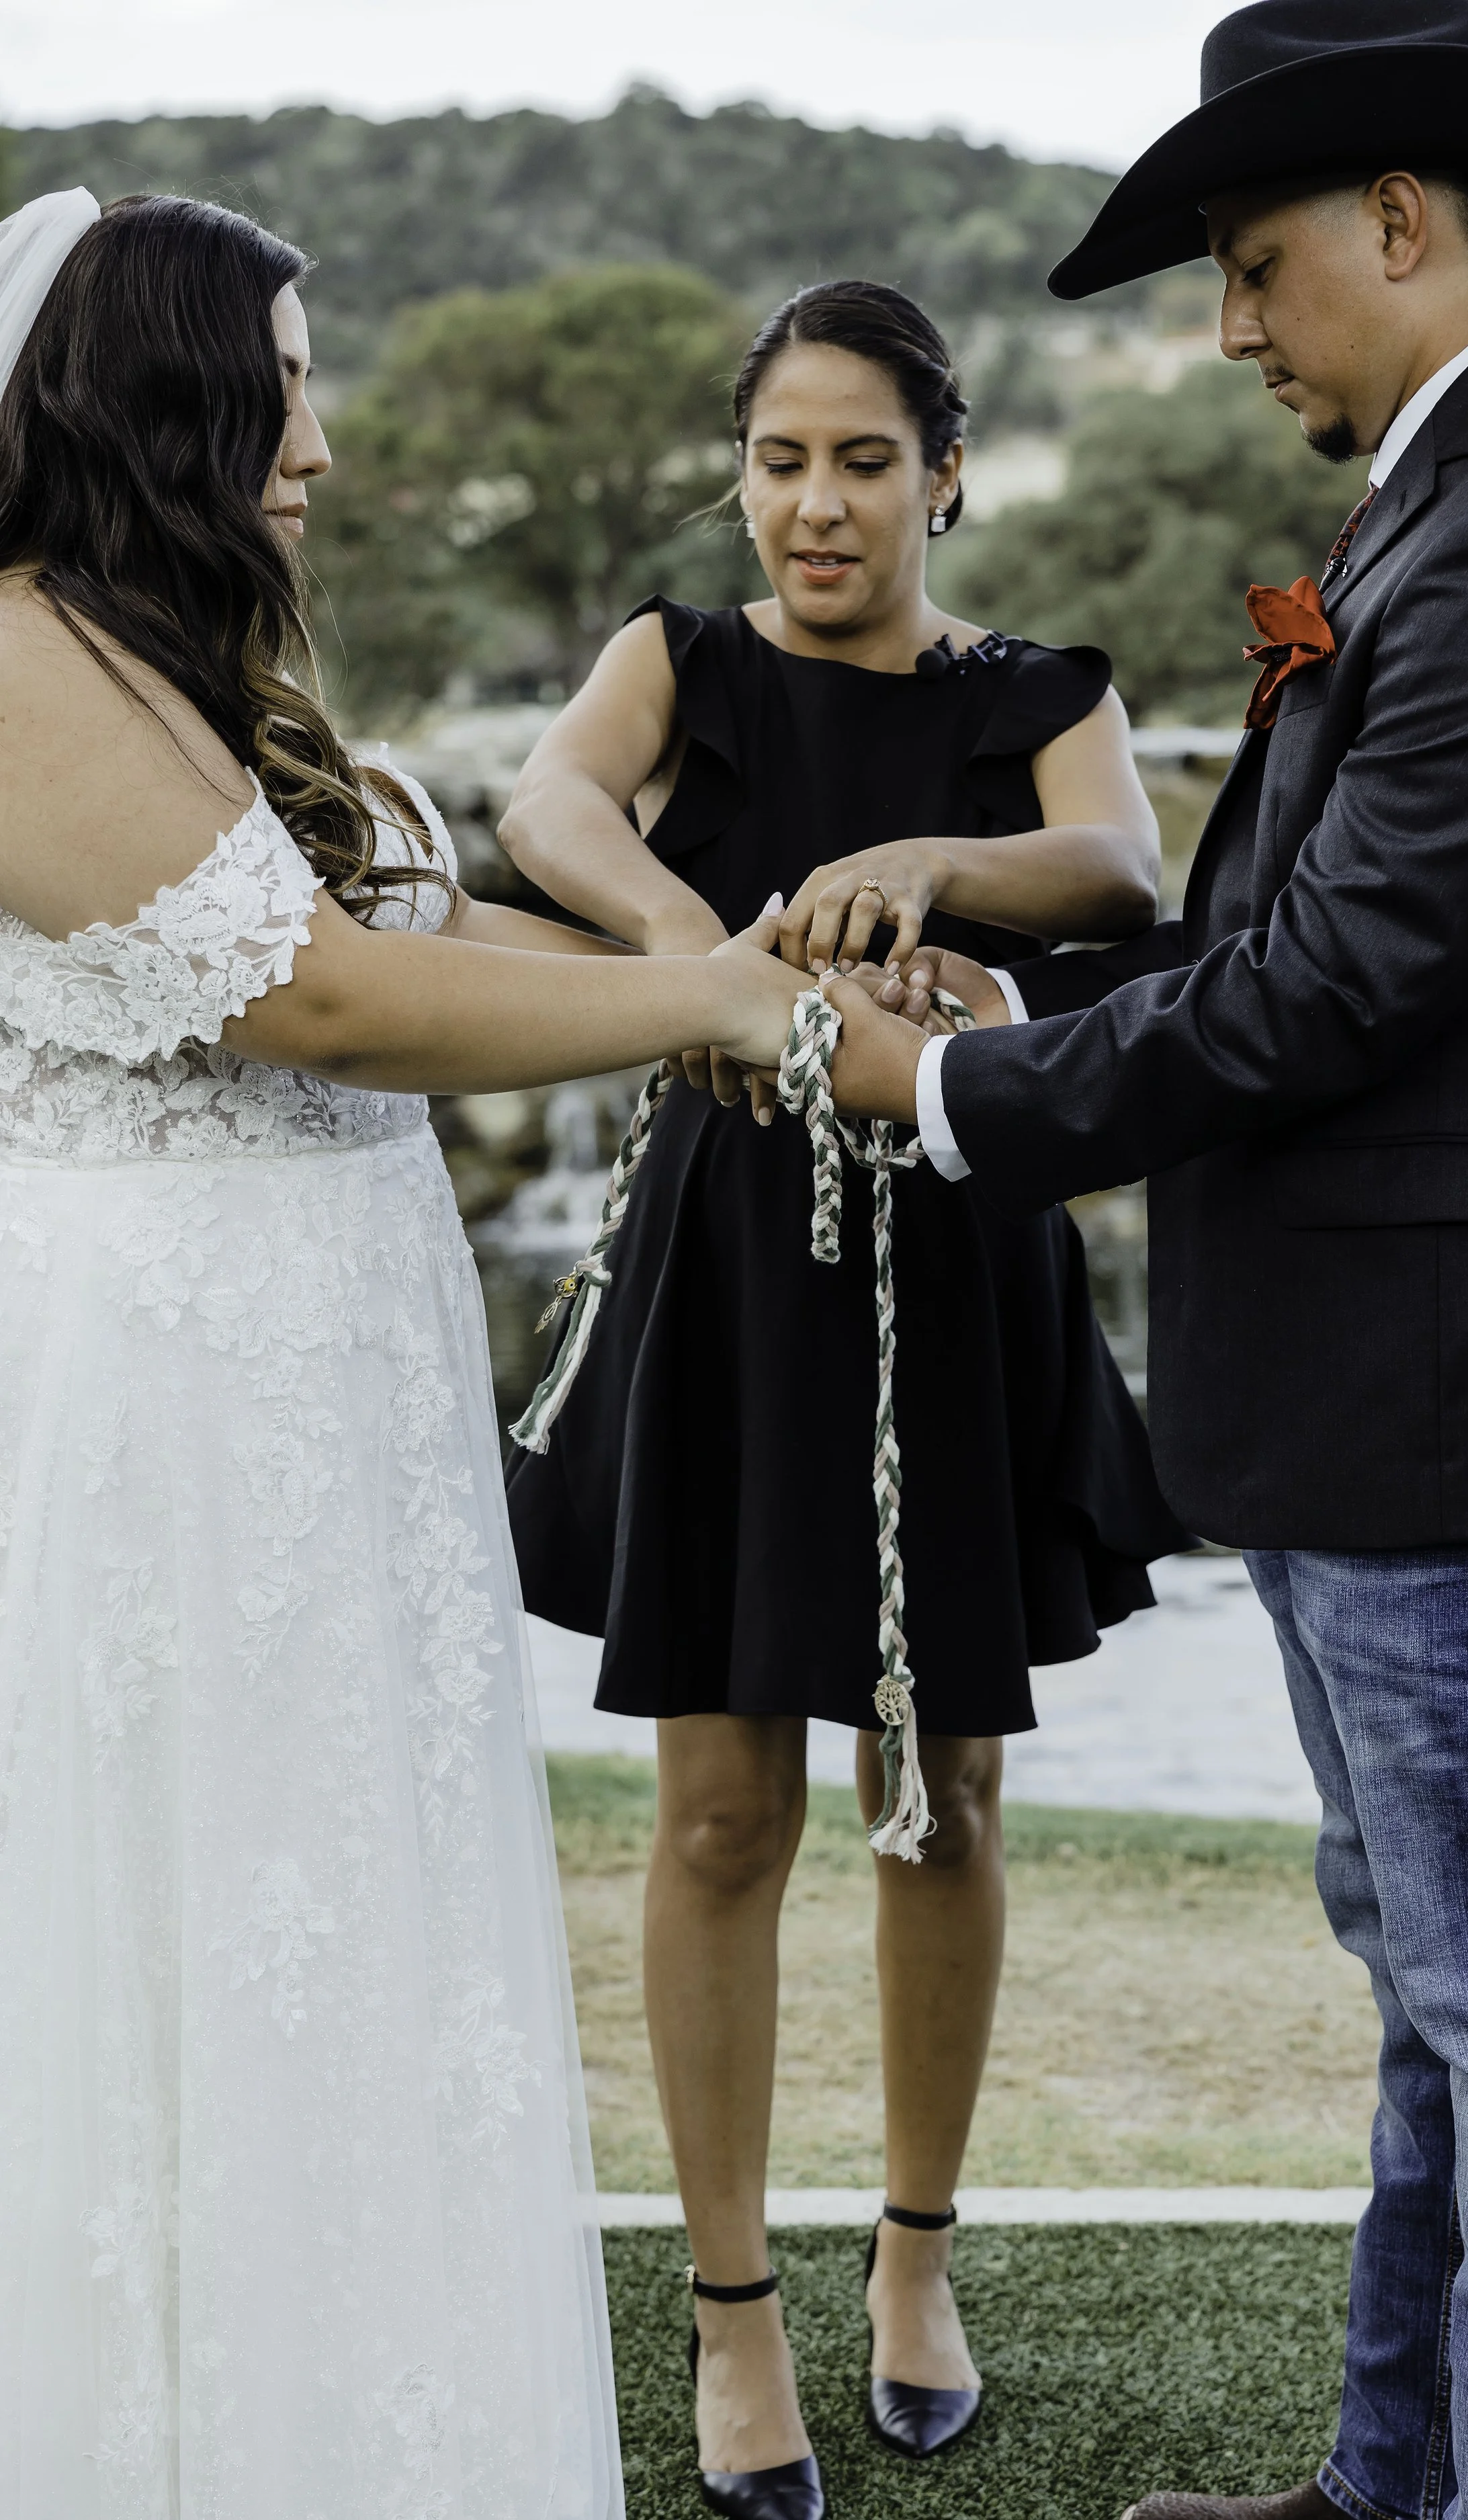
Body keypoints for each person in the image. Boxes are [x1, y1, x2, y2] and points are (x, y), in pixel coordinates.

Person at [822, 5, 1468, 2515]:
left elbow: (1340, 985)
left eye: (1249, 263)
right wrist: (1024, 994)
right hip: (1395, 1377)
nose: (1228, 326)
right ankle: (1395, 2482)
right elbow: (1298, 935)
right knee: (1451, 1990)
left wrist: (945, 1091)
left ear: (1400, 221)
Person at [0, 188, 807, 2520]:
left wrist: (761, 966)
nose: (324, 443)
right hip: (166, 1417)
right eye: (281, 381)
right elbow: (322, 999)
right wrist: (712, 1006)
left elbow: (422, 912)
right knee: (188, 1931)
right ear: (157, 397)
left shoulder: (183, 665)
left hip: (316, 1403)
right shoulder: (25, 654)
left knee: (342, 1939)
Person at [499, 278, 1185, 2518]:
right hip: (735, 1272)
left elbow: (1121, 865)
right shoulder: (674, 663)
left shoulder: (1042, 695)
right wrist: (711, 959)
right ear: (741, 472)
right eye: (782, 457)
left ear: (945, 470)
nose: (817, 502)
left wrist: (927, 865)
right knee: (718, 1809)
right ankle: (727, 2314)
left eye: (864, 459)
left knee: (942, 1794)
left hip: (959, 1266)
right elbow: (546, 809)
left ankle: (913, 2260)